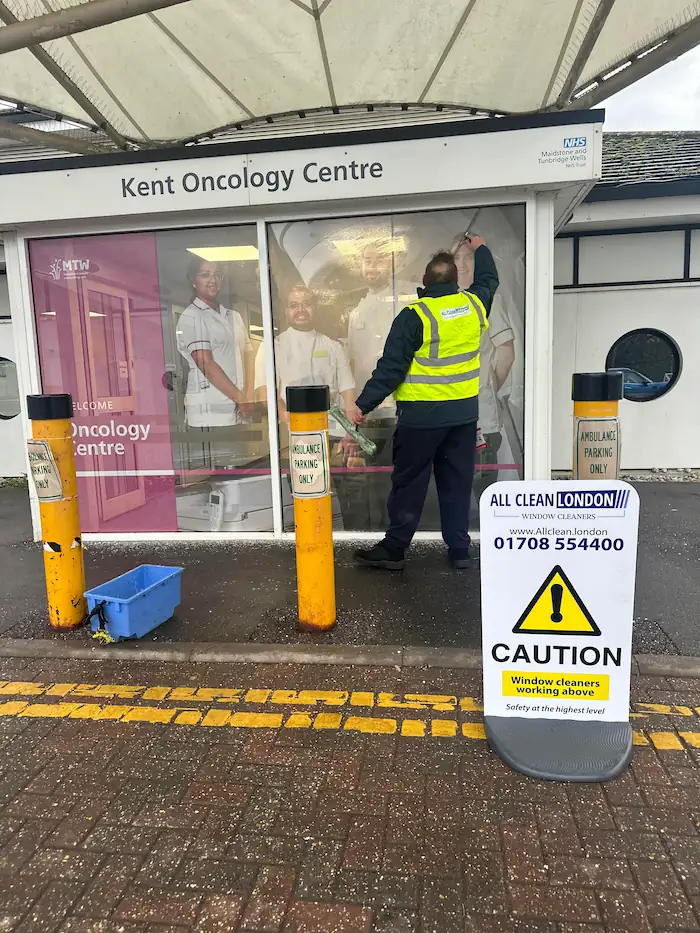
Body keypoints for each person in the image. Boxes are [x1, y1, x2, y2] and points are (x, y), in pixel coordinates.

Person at [350, 237, 499, 570]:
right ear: (455, 282)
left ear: (425, 282)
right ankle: (460, 549)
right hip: (462, 418)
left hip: (421, 419)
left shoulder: (413, 316)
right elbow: (489, 280)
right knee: (457, 482)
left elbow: (391, 370)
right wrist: (480, 248)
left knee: (409, 484)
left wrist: (362, 405)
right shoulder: (475, 305)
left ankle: (395, 549)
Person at [346, 239, 417, 526]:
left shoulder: (409, 297)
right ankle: (380, 531)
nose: (372, 266)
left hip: (403, 409)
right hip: (370, 414)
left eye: (379, 260)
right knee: (373, 479)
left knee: (402, 476)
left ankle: (402, 532)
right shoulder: (356, 312)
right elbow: (352, 365)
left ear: (392, 264)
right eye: (367, 260)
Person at [453, 235, 515, 495]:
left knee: (480, 489)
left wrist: (488, 385)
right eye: (457, 258)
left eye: (469, 257)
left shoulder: (490, 300)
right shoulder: (446, 303)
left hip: (481, 418)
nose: (463, 265)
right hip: (451, 415)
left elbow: (506, 352)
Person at [254, 284, 356, 436]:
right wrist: (285, 416)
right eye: (294, 305)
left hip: (333, 429)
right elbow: (265, 392)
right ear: (286, 311)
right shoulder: (272, 346)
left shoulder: (333, 346)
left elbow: (348, 392)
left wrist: (351, 435)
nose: (300, 310)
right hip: (293, 430)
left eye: (307, 304)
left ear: (315, 308)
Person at [177, 258, 255, 434]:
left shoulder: (233, 316)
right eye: (205, 275)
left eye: (217, 275)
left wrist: (249, 396)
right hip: (210, 413)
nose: (212, 280)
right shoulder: (192, 316)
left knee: (239, 460)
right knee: (218, 460)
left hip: (239, 408)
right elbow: (206, 363)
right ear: (193, 280)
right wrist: (240, 398)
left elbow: (249, 355)